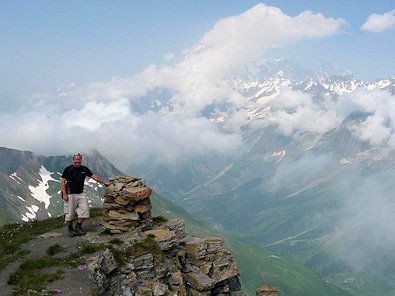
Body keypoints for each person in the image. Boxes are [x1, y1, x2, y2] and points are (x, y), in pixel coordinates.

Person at [61, 153, 110, 237]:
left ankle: (78, 226)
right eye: (76, 160)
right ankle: (70, 229)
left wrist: (104, 182)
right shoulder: (68, 169)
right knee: (69, 213)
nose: (77, 161)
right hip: (70, 194)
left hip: (81, 193)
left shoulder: (84, 169)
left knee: (85, 211)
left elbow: (94, 176)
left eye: (79, 160)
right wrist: (65, 194)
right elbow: (63, 181)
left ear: (81, 160)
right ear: (73, 160)